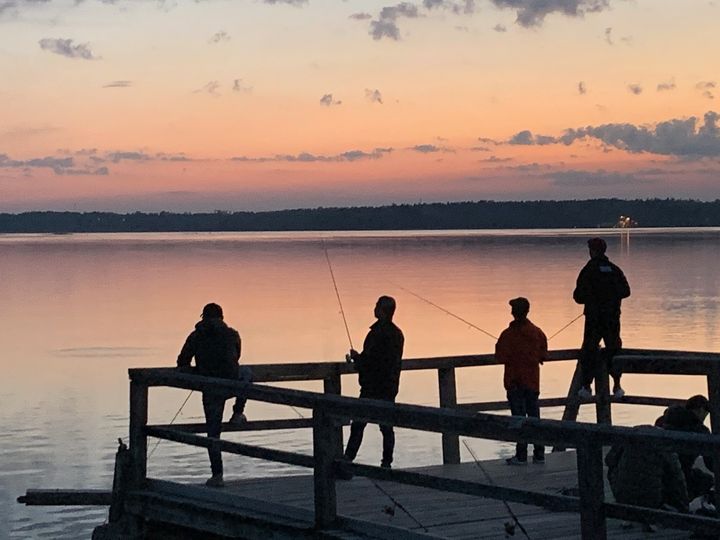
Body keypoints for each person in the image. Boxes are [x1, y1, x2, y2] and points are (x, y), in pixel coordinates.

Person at [177, 302, 247, 487]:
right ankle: (238, 412)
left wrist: (197, 370)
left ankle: (218, 475)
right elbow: (237, 356)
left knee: (213, 433)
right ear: (222, 317)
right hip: (231, 383)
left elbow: (182, 360)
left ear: (204, 317)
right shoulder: (233, 334)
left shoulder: (196, 335)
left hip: (210, 387)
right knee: (247, 375)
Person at [343, 296, 404, 470]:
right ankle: (386, 463)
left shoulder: (376, 334)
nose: (374, 308)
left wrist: (356, 358)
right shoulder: (398, 334)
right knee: (386, 427)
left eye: (377, 306)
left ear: (383, 311)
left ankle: (347, 459)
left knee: (358, 425)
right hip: (390, 387)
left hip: (371, 388)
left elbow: (371, 361)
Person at [573, 237, 631, 400]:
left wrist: (593, 297)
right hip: (612, 318)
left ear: (592, 251)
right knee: (614, 349)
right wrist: (611, 296)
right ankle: (617, 385)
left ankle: (586, 386)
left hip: (594, 319)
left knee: (589, 350)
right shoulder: (614, 269)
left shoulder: (589, 270)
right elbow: (626, 291)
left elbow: (578, 296)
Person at [495, 297, 548, 465]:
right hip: (532, 382)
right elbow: (544, 355)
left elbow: (500, 356)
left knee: (518, 420)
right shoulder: (537, 332)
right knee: (534, 418)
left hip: (514, 382)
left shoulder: (507, 334)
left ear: (514, 312)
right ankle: (539, 454)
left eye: (512, 309)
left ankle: (521, 456)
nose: (511, 312)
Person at [605, 423, 689, 514]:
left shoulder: (632, 434)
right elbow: (678, 478)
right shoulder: (665, 442)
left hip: (622, 496)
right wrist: (685, 506)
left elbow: (609, 460)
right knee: (670, 474)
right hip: (652, 500)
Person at [655, 395, 714, 499]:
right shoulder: (700, 430)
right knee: (708, 481)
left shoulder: (661, 421)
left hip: (658, 474)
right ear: (700, 410)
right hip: (681, 475)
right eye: (706, 413)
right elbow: (710, 463)